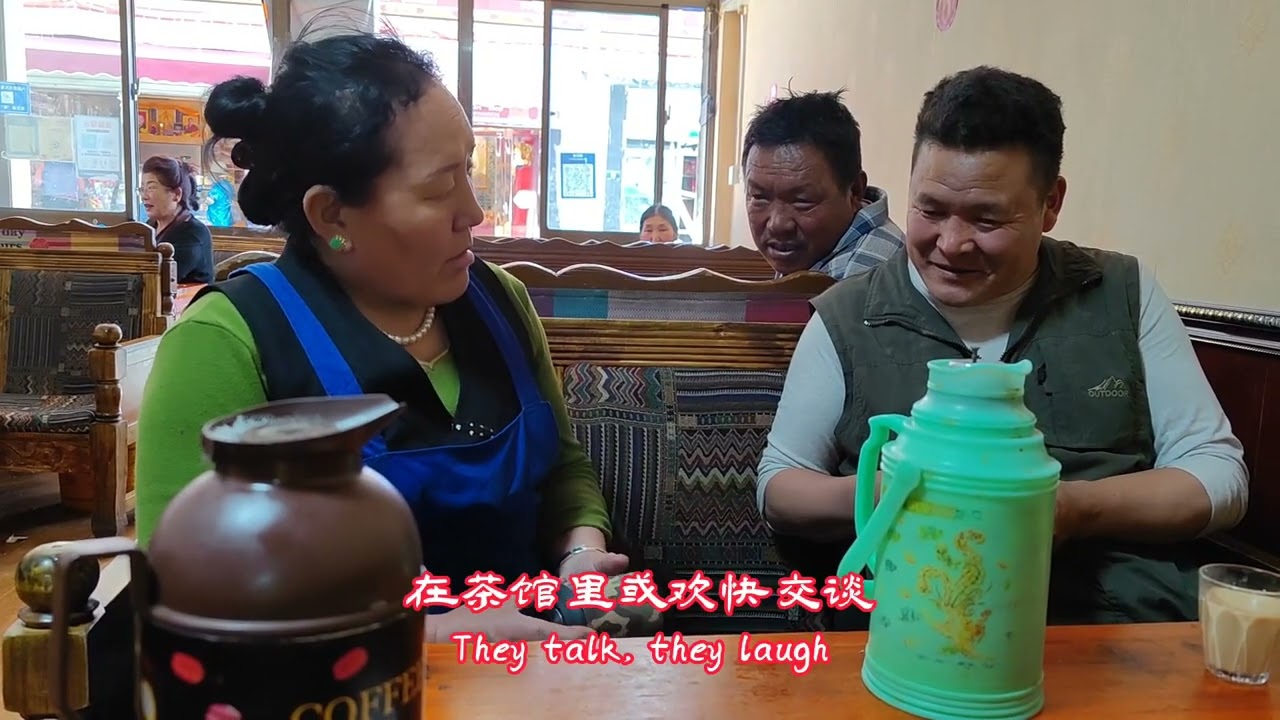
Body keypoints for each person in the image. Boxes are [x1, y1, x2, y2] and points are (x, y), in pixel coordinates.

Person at [134, 32, 659, 642]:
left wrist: (581, 556)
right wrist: (439, 639)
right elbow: (186, 595)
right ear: (331, 215)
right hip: (344, 683)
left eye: (467, 171)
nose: (473, 212)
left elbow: (564, 470)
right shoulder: (227, 340)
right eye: (438, 189)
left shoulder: (502, 302)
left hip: (538, 666)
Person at [757, 66, 1249, 625]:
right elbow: (780, 486)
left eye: (987, 219)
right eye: (930, 210)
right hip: (917, 623)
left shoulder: (1122, 293)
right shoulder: (846, 314)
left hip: (1119, 624)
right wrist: (893, 491)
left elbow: (1218, 475)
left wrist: (1071, 509)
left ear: (1051, 203)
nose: (951, 243)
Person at [742, 89, 904, 279]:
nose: (777, 224)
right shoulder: (817, 254)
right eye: (759, 197)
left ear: (855, 191)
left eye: (801, 201)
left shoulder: (861, 278)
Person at [141, 155, 214, 283]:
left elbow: (157, 280)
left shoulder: (193, 234)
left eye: (151, 187)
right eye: (142, 189)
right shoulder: (151, 225)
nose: (144, 196)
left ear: (176, 195)